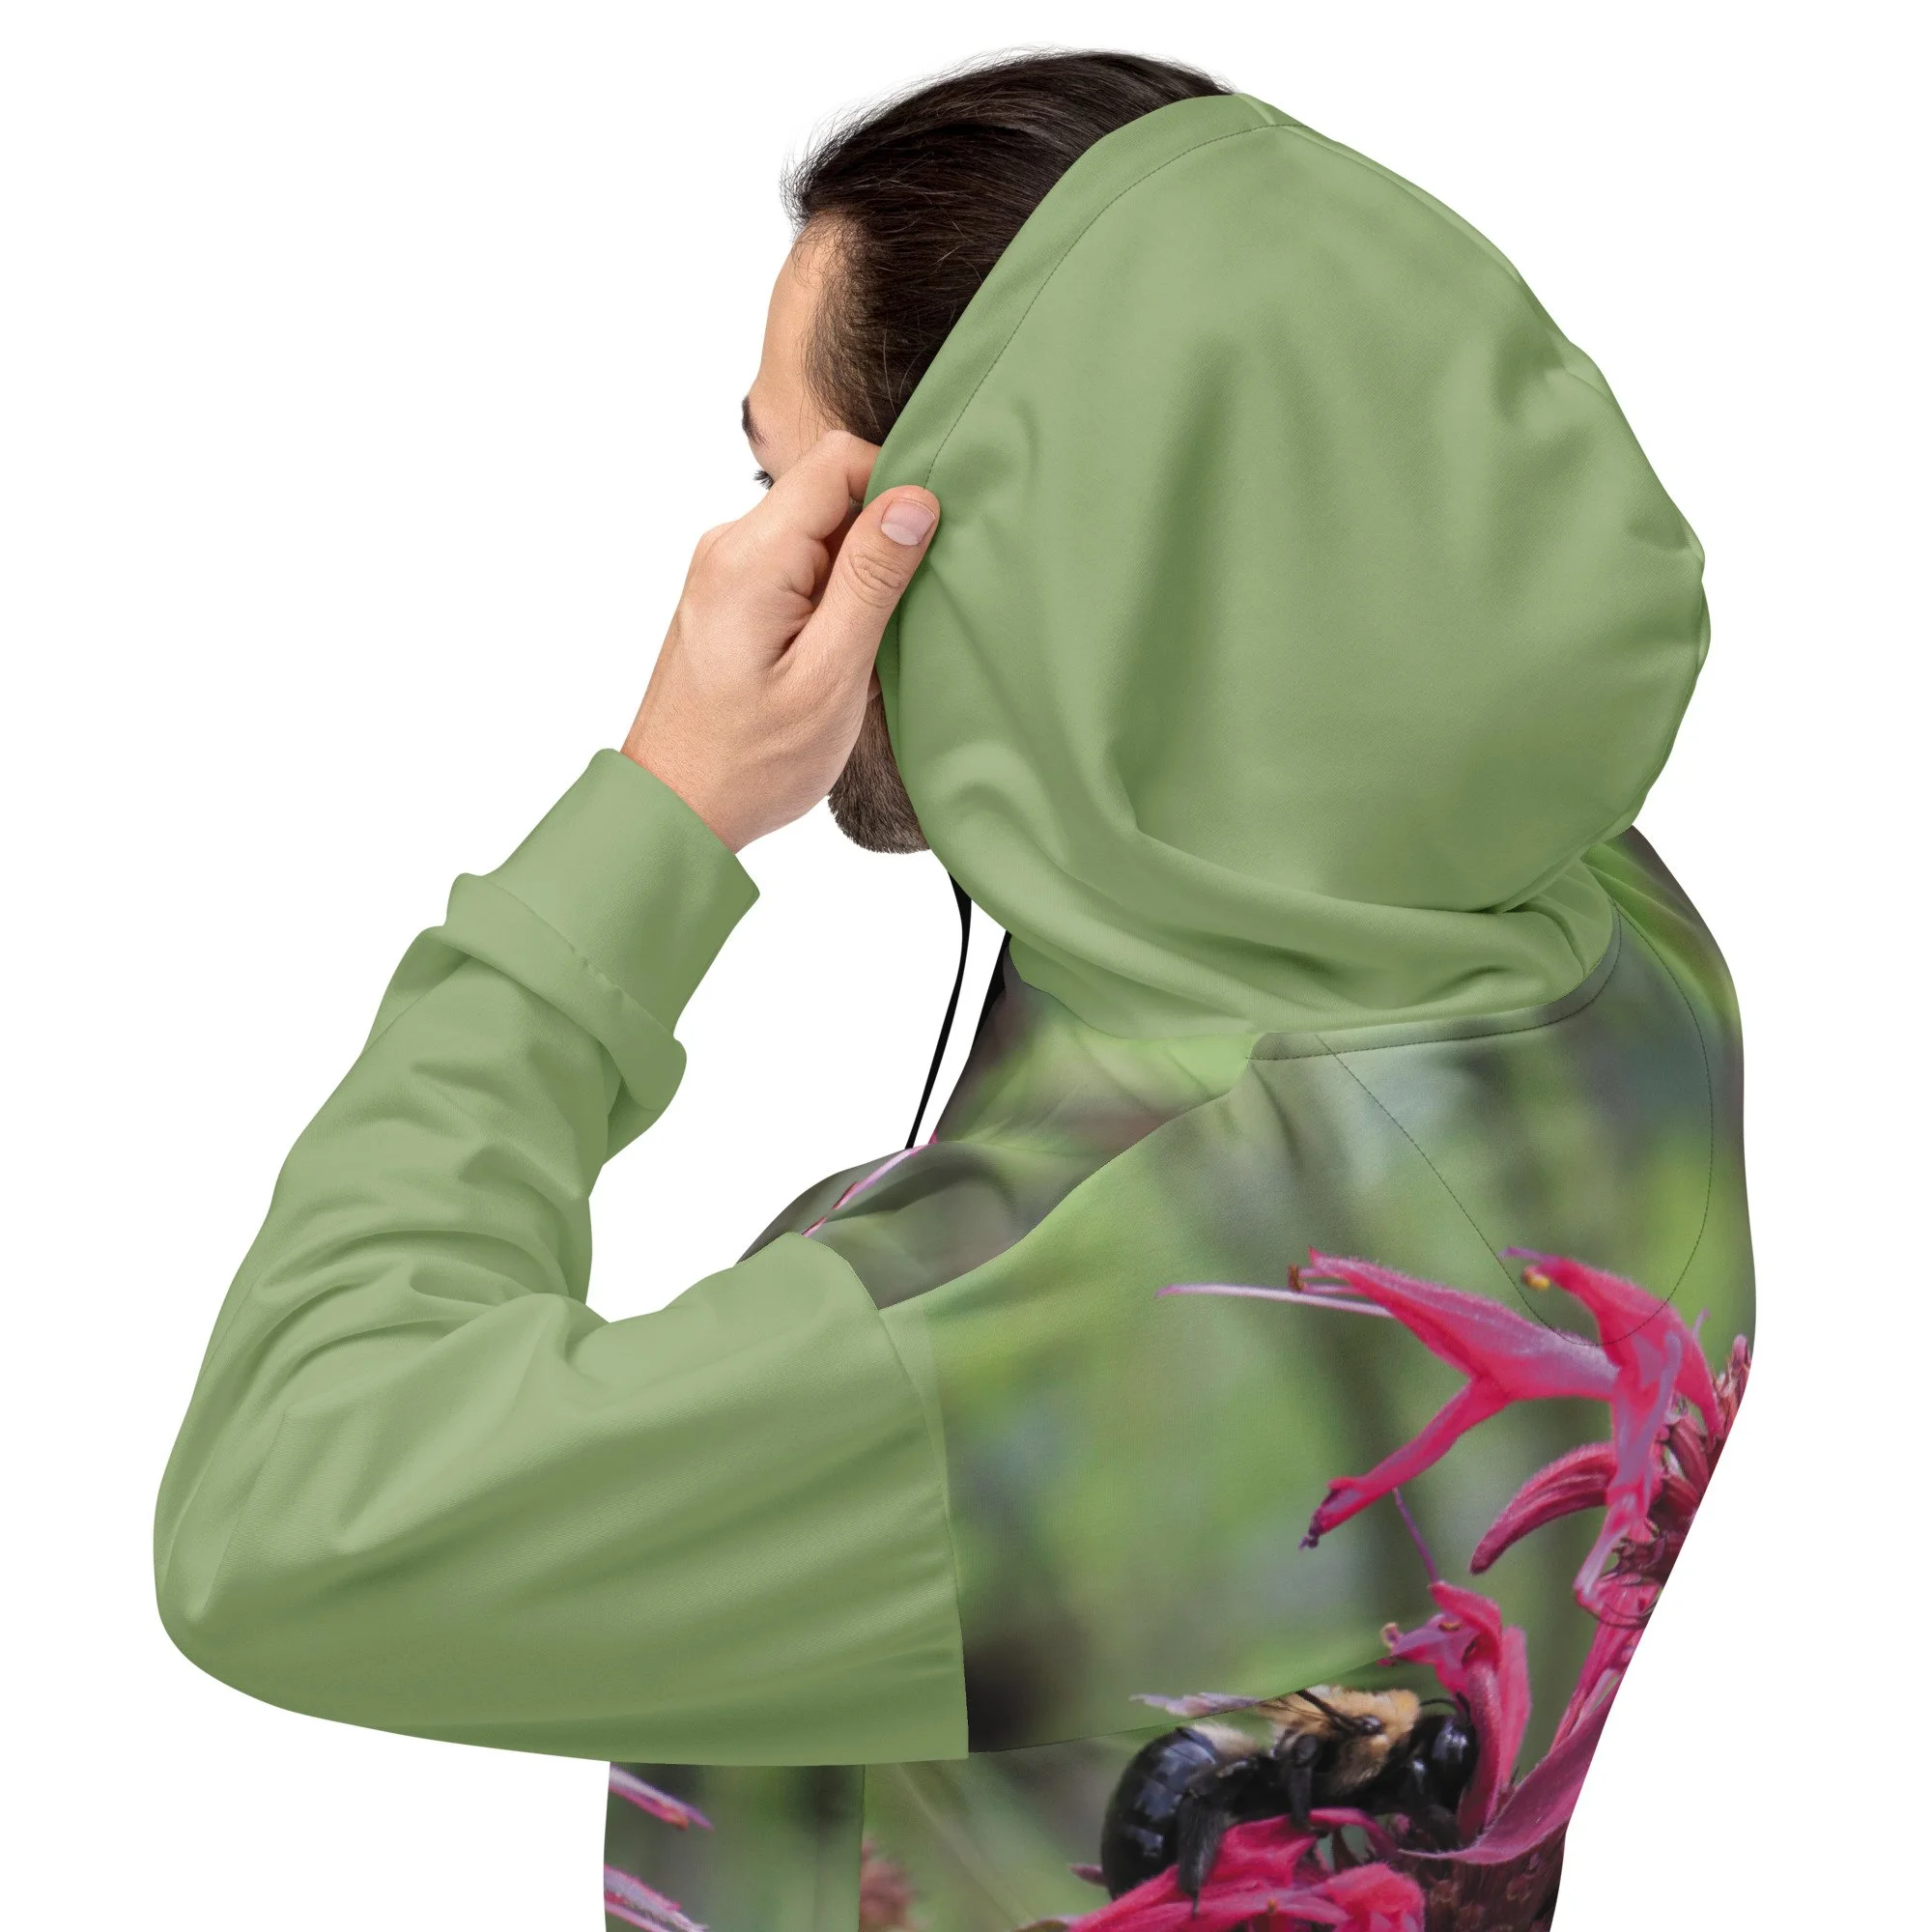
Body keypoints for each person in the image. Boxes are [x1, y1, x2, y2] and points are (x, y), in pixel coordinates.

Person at [155, 51, 1754, 1932]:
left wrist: (661, 812)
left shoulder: (1126, 1304)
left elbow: (277, 1516)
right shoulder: (1609, 949)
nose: (754, 562)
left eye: (798, 489)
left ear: (999, 555)